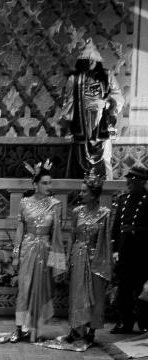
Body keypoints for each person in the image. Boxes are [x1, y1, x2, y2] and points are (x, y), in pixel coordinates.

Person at [9, 160, 67, 342]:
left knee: (40, 289)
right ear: (35, 184)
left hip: (46, 250)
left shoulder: (55, 205)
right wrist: (16, 254)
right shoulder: (24, 203)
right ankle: (19, 328)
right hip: (27, 248)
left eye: (50, 183)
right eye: (44, 183)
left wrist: (57, 261)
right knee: (24, 289)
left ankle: (36, 330)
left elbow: (57, 234)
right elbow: (20, 229)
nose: (48, 186)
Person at [59, 39, 124, 179]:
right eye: (86, 61)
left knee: (105, 159)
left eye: (92, 60)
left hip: (102, 124)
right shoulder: (74, 79)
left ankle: (106, 194)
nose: (89, 63)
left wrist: (106, 104)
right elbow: (68, 101)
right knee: (78, 160)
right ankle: (77, 196)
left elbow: (118, 97)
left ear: (97, 61)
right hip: (81, 125)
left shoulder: (107, 76)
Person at [64, 173, 111, 344]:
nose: (81, 194)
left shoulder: (105, 213)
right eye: (81, 191)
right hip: (78, 255)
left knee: (95, 295)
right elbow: (71, 236)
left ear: (94, 194)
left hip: (96, 259)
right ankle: (75, 329)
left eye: (84, 191)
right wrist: (69, 257)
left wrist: (104, 262)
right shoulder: (77, 212)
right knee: (77, 293)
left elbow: (106, 241)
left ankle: (91, 330)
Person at [110, 165, 148, 335]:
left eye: (133, 180)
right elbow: (116, 226)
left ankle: (144, 322)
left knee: (141, 289)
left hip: (141, 250)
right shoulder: (123, 200)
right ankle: (124, 322)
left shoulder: (147, 199)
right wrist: (115, 249)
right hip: (124, 249)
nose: (129, 183)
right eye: (128, 179)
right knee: (123, 288)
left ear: (142, 182)